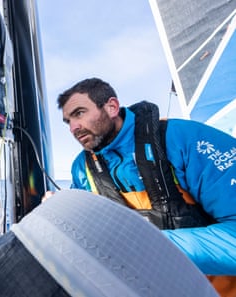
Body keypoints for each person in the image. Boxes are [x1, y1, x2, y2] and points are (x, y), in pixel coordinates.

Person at [54, 77, 236, 293]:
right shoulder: (82, 168)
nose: (74, 128)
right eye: (68, 121)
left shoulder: (184, 139)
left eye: (79, 113)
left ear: (112, 107)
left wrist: (141, 247)